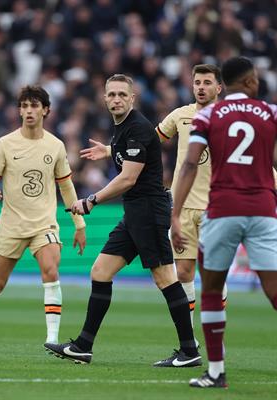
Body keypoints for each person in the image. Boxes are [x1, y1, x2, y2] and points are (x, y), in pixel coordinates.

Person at [44, 74, 200, 367]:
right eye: (111, 94)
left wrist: (91, 200)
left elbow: (128, 178)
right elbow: (130, 162)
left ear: (132, 98)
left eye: (121, 95)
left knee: (165, 278)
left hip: (149, 212)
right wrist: (109, 150)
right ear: (104, 98)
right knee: (100, 271)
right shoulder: (123, 129)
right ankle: (83, 346)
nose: (116, 99)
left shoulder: (137, 127)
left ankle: (189, 351)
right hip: (135, 213)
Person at [172, 56, 277, 388]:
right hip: (263, 209)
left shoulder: (207, 115)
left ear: (223, 83)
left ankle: (215, 371)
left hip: (222, 209)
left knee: (212, 289)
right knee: (275, 292)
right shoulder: (271, 113)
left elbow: (189, 165)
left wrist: (174, 214)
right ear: (249, 82)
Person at [0, 85, 87, 352]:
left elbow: (66, 187)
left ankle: (52, 339)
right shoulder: (6, 143)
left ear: (46, 110)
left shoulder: (55, 145)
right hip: (11, 225)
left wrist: (79, 223)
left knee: (51, 271)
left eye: (34, 106)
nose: (29, 111)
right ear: (19, 110)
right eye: (24, 106)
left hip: (44, 223)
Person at [156, 64, 226, 342]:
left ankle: (215, 337)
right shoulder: (181, 115)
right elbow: (149, 141)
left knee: (212, 277)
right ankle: (191, 339)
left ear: (219, 88)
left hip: (216, 208)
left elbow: (254, 161)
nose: (200, 87)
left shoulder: (228, 119)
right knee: (183, 271)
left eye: (207, 82)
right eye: (197, 82)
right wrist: (112, 149)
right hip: (182, 207)